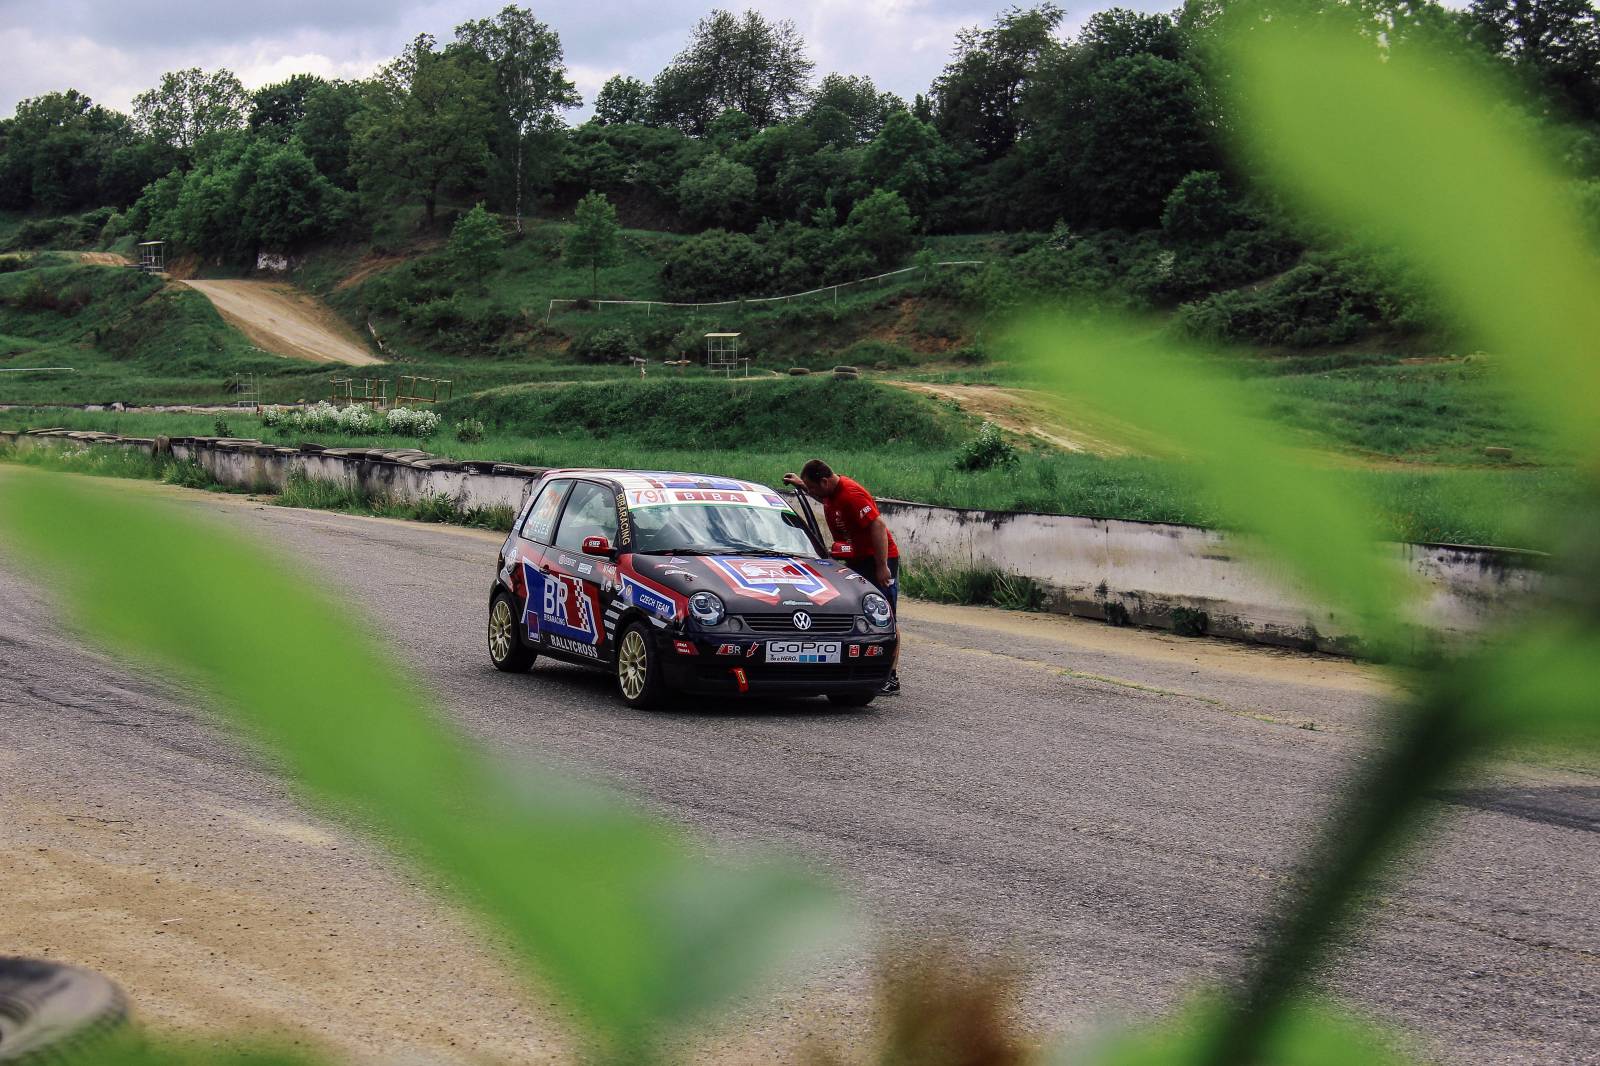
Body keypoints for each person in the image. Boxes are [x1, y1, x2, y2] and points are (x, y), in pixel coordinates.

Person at [783, 458, 901, 695]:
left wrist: (881, 566)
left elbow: (878, 526)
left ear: (825, 481)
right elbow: (822, 497)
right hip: (856, 559)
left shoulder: (851, 494)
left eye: (813, 487)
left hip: (877, 559)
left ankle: (890, 677)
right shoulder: (831, 493)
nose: (813, 492)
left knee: (883, 616)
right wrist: (801, 485)